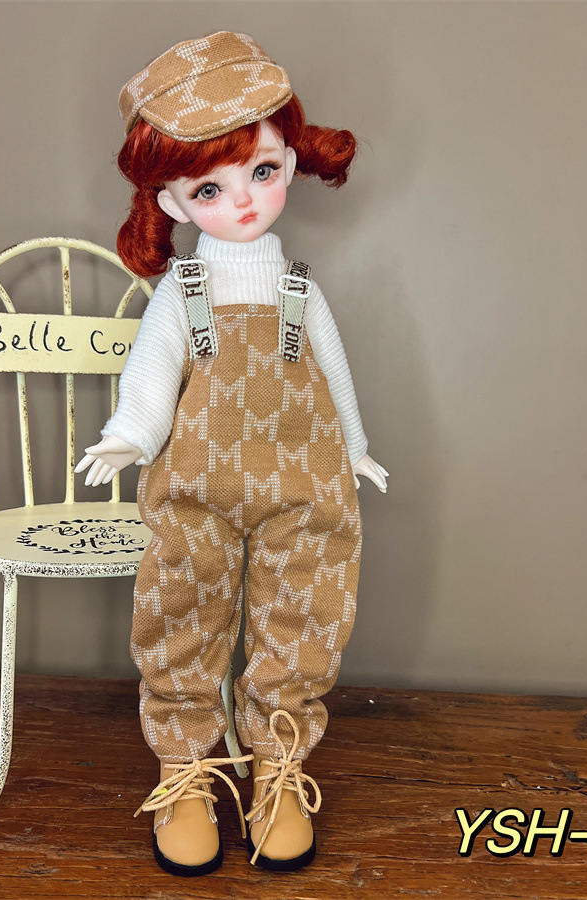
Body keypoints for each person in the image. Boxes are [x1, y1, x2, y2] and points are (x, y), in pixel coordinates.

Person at [75, 31, 388, 876]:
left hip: (306, 482)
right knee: (180, 609)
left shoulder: (299, 290)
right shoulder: (182, 292)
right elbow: (152, 372)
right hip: (195, 487)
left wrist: (356, 448)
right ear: (174, 203)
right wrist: (131, 435)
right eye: (210, 187)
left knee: (305, 613)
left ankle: (278, 769)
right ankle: (184, 768)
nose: (244, 202)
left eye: (263, 170)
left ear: (291, 160)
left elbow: (334, 370)